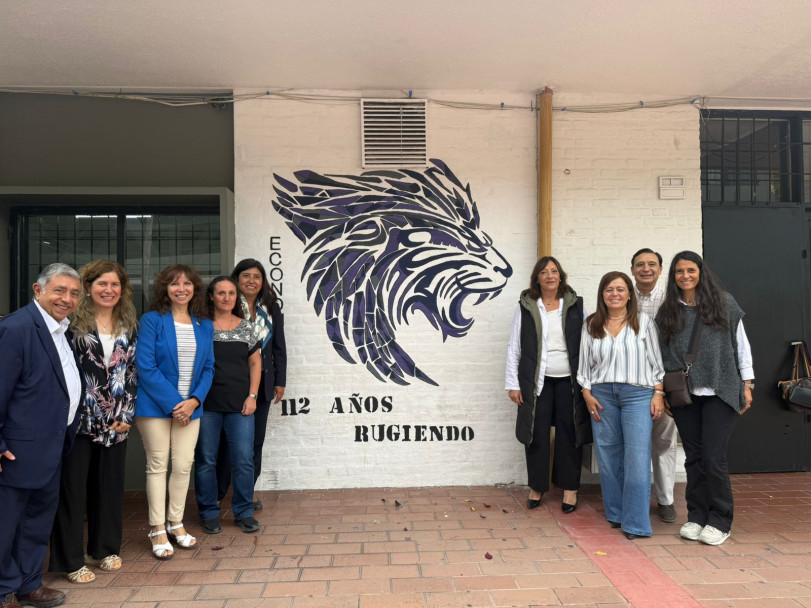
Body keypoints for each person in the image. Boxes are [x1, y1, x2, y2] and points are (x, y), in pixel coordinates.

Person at [656, 251, 754, 546]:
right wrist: (665, 393)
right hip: (685, 395)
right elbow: (662, 356)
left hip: (720, 391)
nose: (685, 276)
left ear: (701, 272)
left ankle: (720, 520)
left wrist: (747, 382)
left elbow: (740, 344)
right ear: (673, 277)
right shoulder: (668, 311)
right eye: (679, 272)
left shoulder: (724, 303)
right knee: (694, 459)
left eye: (690, 270)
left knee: (713, 458)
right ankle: (697, 516)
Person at [0, 263, 84, 608]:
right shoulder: (17, 328)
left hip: (51, 446)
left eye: (74, 293)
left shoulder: (63, 330)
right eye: (59, 291)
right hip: (17, 450)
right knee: (7, 525)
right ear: (38, 291)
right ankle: (4, 589)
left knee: (36, 522)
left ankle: (29, 584)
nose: (66, 299)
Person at [49, 260, 138, 583]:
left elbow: (131, 372)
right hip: (78, 420)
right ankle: (71, 561)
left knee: (109, 487)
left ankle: (104, 549)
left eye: (115, 285)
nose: (109, 290)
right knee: (72, 490)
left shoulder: (129, 323)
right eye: (102, 284)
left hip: (116, 421)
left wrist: (126, 413)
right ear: (88, 287)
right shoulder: (70, 324)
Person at [578, 271, 666, 539]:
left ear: (629, 294)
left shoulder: (644, 322)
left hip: (638, 394)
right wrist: (586, 392)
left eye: (620, 289)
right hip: (602, 396)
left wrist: (658, 392)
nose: (614, 294)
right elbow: (584, 364)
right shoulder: (591, 324)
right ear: (602, 295)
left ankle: (636, 523)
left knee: (637, 457)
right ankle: (616, 513)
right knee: (607, 456)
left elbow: (656, 362)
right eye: (608, 289)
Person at [135, 264, 214, 560]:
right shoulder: (152, 321)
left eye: (187, 284)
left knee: (183, 466)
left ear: (195, 288)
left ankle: (176, 524)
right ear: (164, 289)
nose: (181, 288)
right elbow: (146, 367)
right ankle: (157, 528)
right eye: (174, 284)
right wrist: (175, 404)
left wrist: (193, 401)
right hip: (155, 406)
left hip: (190, 407)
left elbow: (208, 368)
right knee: (158, 465)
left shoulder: (204, 324)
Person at [505, 256, 589, 513]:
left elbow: (587, 345)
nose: (550, 275)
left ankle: (570, 488)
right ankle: (537, 486)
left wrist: (588, 382)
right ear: (537, 278)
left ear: (560, 276)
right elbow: (515, 347)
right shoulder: (528, 306)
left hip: (570, 382)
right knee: (536, 434)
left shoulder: (575, 305)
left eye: (554, 271)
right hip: (536, 383)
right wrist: (513, 383)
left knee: (570, 434)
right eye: (544, 272)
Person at [216, 259, 286, 510]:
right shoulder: (228, 306)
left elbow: (279, 347)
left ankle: (247, 492)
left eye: (257, 276)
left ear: (263, 281)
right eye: (246, 275)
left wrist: (280, 381)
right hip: (231, 383)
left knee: (255, 442)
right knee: (226, 444)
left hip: (263, 385)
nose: (251, 281)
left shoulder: (271, 308)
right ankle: (219, 492)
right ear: (236, 279)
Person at [195, 277, 262, 534]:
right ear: (211, 296)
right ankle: (208, 512)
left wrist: (253, 396)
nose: (226, 298)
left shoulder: (246, 327)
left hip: (240, 405)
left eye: (231, 293)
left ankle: (244, 512)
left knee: (244, 460)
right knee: (206, 461)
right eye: (221, 293)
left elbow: (255, 363)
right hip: (206, 404)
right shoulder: (201, 327)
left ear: (237, 298)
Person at [631, 248, 678, 524]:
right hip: (631, 381)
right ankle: (635, 497)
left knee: (663, 442)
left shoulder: (672, 300)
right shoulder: (623, 298)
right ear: (632, 269)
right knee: (634, 444)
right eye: (640, 264)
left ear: (660, 270)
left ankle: (666, 500)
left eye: (651, 264)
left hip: (664, 381)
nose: (646, 268)